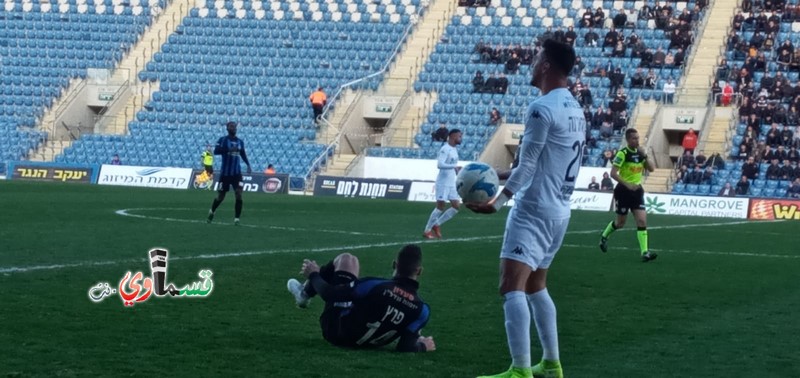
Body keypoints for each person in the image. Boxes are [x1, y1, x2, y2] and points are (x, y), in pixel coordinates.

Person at [468, 39, 584, 378]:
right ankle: (551, 363)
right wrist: (495, 174)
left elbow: (528, 163)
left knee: (511, 286)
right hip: (559, 211)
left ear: (546, 65)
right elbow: (542, 161)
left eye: (537, 58)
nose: (532, 63)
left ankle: (520, 371)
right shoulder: (575, 108)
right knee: (537, 286)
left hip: (533, 210)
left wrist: (498, 202)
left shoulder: (541, 107)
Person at [285, 244, 435, 352]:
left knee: (348, 259)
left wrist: (314, 274)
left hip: (336, 332)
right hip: (370, 345)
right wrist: (422, 345)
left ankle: (304, 294)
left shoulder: (374, 285)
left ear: (394, 264)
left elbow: (330, 294)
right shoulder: (422, 310)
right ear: (420, 271)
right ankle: (303, 294)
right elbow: (405, 347)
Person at [598, 128, 657, 262]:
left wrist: (646, 155)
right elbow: (613, 173)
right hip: (623, 191)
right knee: (620, 223)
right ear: (628, 140)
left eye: (638, 138)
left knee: (642, 220)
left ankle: (644, 252)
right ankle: (604, 236)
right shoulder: (623, 153)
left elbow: (652, 169)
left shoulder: (641, 153)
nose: (637, 140)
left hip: (637, 191)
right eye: (634, 138)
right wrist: (627, 184)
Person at [207, 121, 252, 226]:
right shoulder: (222, 140)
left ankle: (237, 219)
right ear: (227, 128)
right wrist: (228, 149)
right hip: (225, 174)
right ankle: (212, 211)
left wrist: (248, 165)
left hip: (237, 173)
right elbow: (216, 151)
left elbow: (243, 153)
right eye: (232, 126)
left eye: (235, 126)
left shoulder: (240, 142)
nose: (234, 128)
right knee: (221, 197)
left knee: (239, 194)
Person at [423, 129, 463, 239]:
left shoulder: (454, 149)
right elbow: (440, 164)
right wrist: (454, 167)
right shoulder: (445, 149)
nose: (461, 138)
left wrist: (457, 171)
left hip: (451, 182)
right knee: (440, 206)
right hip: (443, 182)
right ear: (453, 136)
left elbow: (451, 165)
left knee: (456, 206)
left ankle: (437, 224)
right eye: (459, 136)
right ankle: (427, 230)